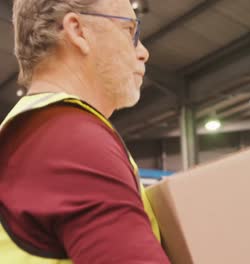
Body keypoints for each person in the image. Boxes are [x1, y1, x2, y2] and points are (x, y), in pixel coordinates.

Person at [0, 0, 170, 263]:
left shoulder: (30, 130)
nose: (143, 52)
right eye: (129, 31)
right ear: (78, 31)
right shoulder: (72, 140)